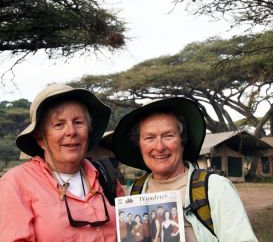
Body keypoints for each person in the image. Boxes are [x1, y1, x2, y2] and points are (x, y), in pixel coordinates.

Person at [112, 97, 258, 241]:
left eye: (168, 136)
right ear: (139, 145)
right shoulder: (135, 192)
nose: (159, 147)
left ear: (182, 140)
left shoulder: (215, 188)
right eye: (149, 138)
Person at [0, 84, 125, 242]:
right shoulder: (16, 183)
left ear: (89, 131)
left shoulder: (105, 177)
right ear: (40, 138)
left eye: (79, 122)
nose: (71, 132)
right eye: (59, 124)